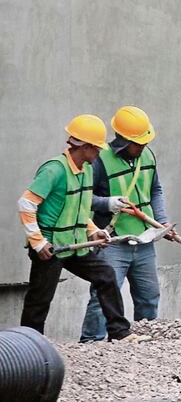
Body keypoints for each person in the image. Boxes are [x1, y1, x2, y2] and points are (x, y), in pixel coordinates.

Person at [19, 114, 148, 343]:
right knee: (40, 299)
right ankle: (29, 344)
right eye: (97, 148)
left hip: (74, 244)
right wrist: (38, 242)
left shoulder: (86, 169)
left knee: (105, 275)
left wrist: (93, 230)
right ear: (85, 147)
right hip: (51, 247)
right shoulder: (54, 170)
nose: (99, 153)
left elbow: (79, 209)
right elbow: (26, 204)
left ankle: (119, 332)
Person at [80, 106, 174, 342]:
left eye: (145, 142)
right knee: (103, 298)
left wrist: (161, 221)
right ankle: (91, 344)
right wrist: (107, 203)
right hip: (113, 241)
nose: (143, 147)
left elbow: (155, 190)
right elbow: (82, 198)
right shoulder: (99, 161)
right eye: (138, 143)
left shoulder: (147, 156)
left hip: (144, 239)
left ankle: (143, 343)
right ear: (123, 141)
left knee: (149, 297)